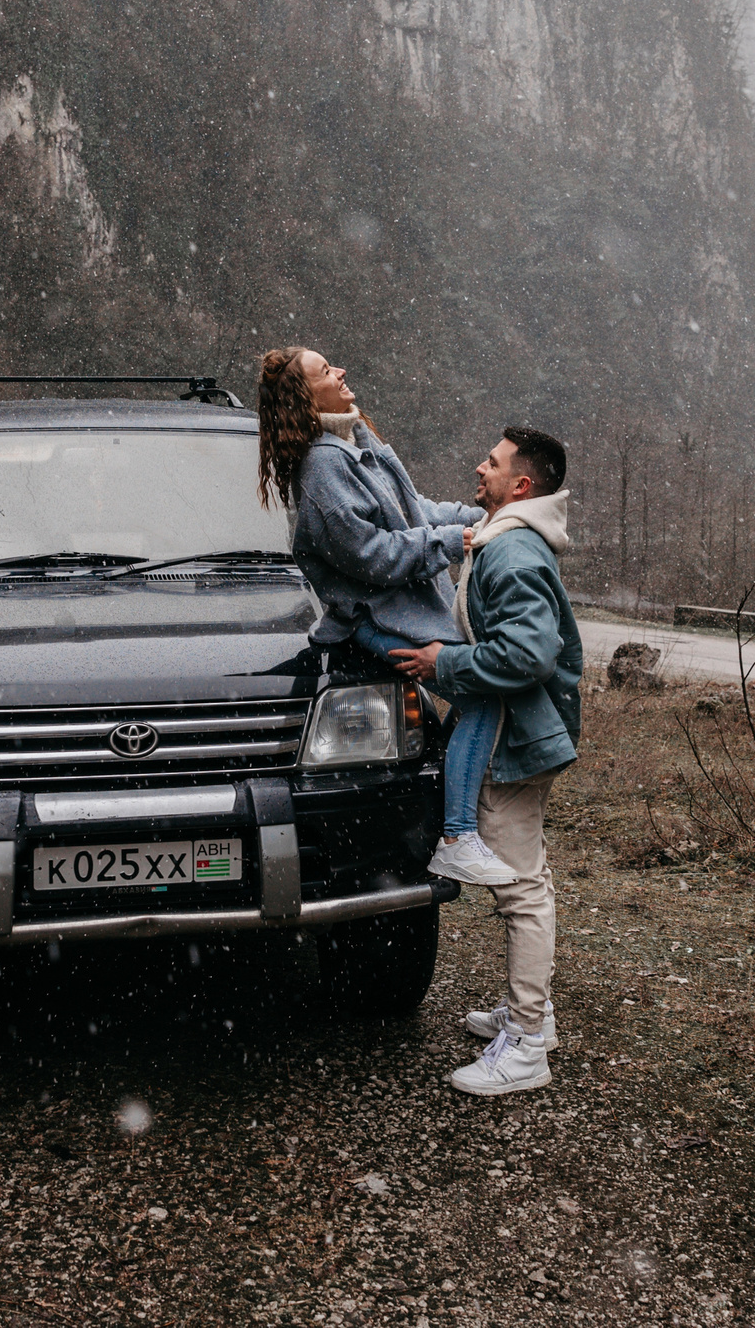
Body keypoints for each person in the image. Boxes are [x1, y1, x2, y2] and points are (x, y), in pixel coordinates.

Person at [253, 349, 520, 886]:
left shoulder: (353, 442)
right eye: (326, 372)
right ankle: (456, 836)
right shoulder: (323, 466)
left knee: (474, 702)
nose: (341, 373)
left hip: (406, 610)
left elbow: (412, 511)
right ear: (306, 397)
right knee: (481, 696)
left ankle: (447, 812)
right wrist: (452, 541)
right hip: (379, 620)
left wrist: (487, 517)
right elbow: (372, 555)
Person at [390, 427, 582, 1097]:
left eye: (493, 462)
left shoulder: (515, 555)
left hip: (516, 739)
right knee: (527, 876)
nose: (480, 465)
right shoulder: (506, 538)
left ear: (521, 485)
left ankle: (527, 1044)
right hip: (517, 732)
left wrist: (446, 663)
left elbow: (529, 654)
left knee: (521, 887)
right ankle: (532, 1013)